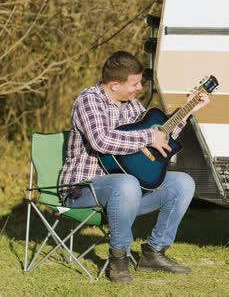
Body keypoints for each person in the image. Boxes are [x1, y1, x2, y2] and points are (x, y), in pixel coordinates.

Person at [58, 51, 210, 283]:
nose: (140, 88)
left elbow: (159, 135)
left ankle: (154, 252)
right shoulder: (89, 100)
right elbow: (102, 140)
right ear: (115, 85)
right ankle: (119, 257)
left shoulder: (131, 105)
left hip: (127, 190)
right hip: (83, 189)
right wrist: (149, 137)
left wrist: (187, 112)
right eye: (135, 83)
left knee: (182, 182)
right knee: (127, 183)